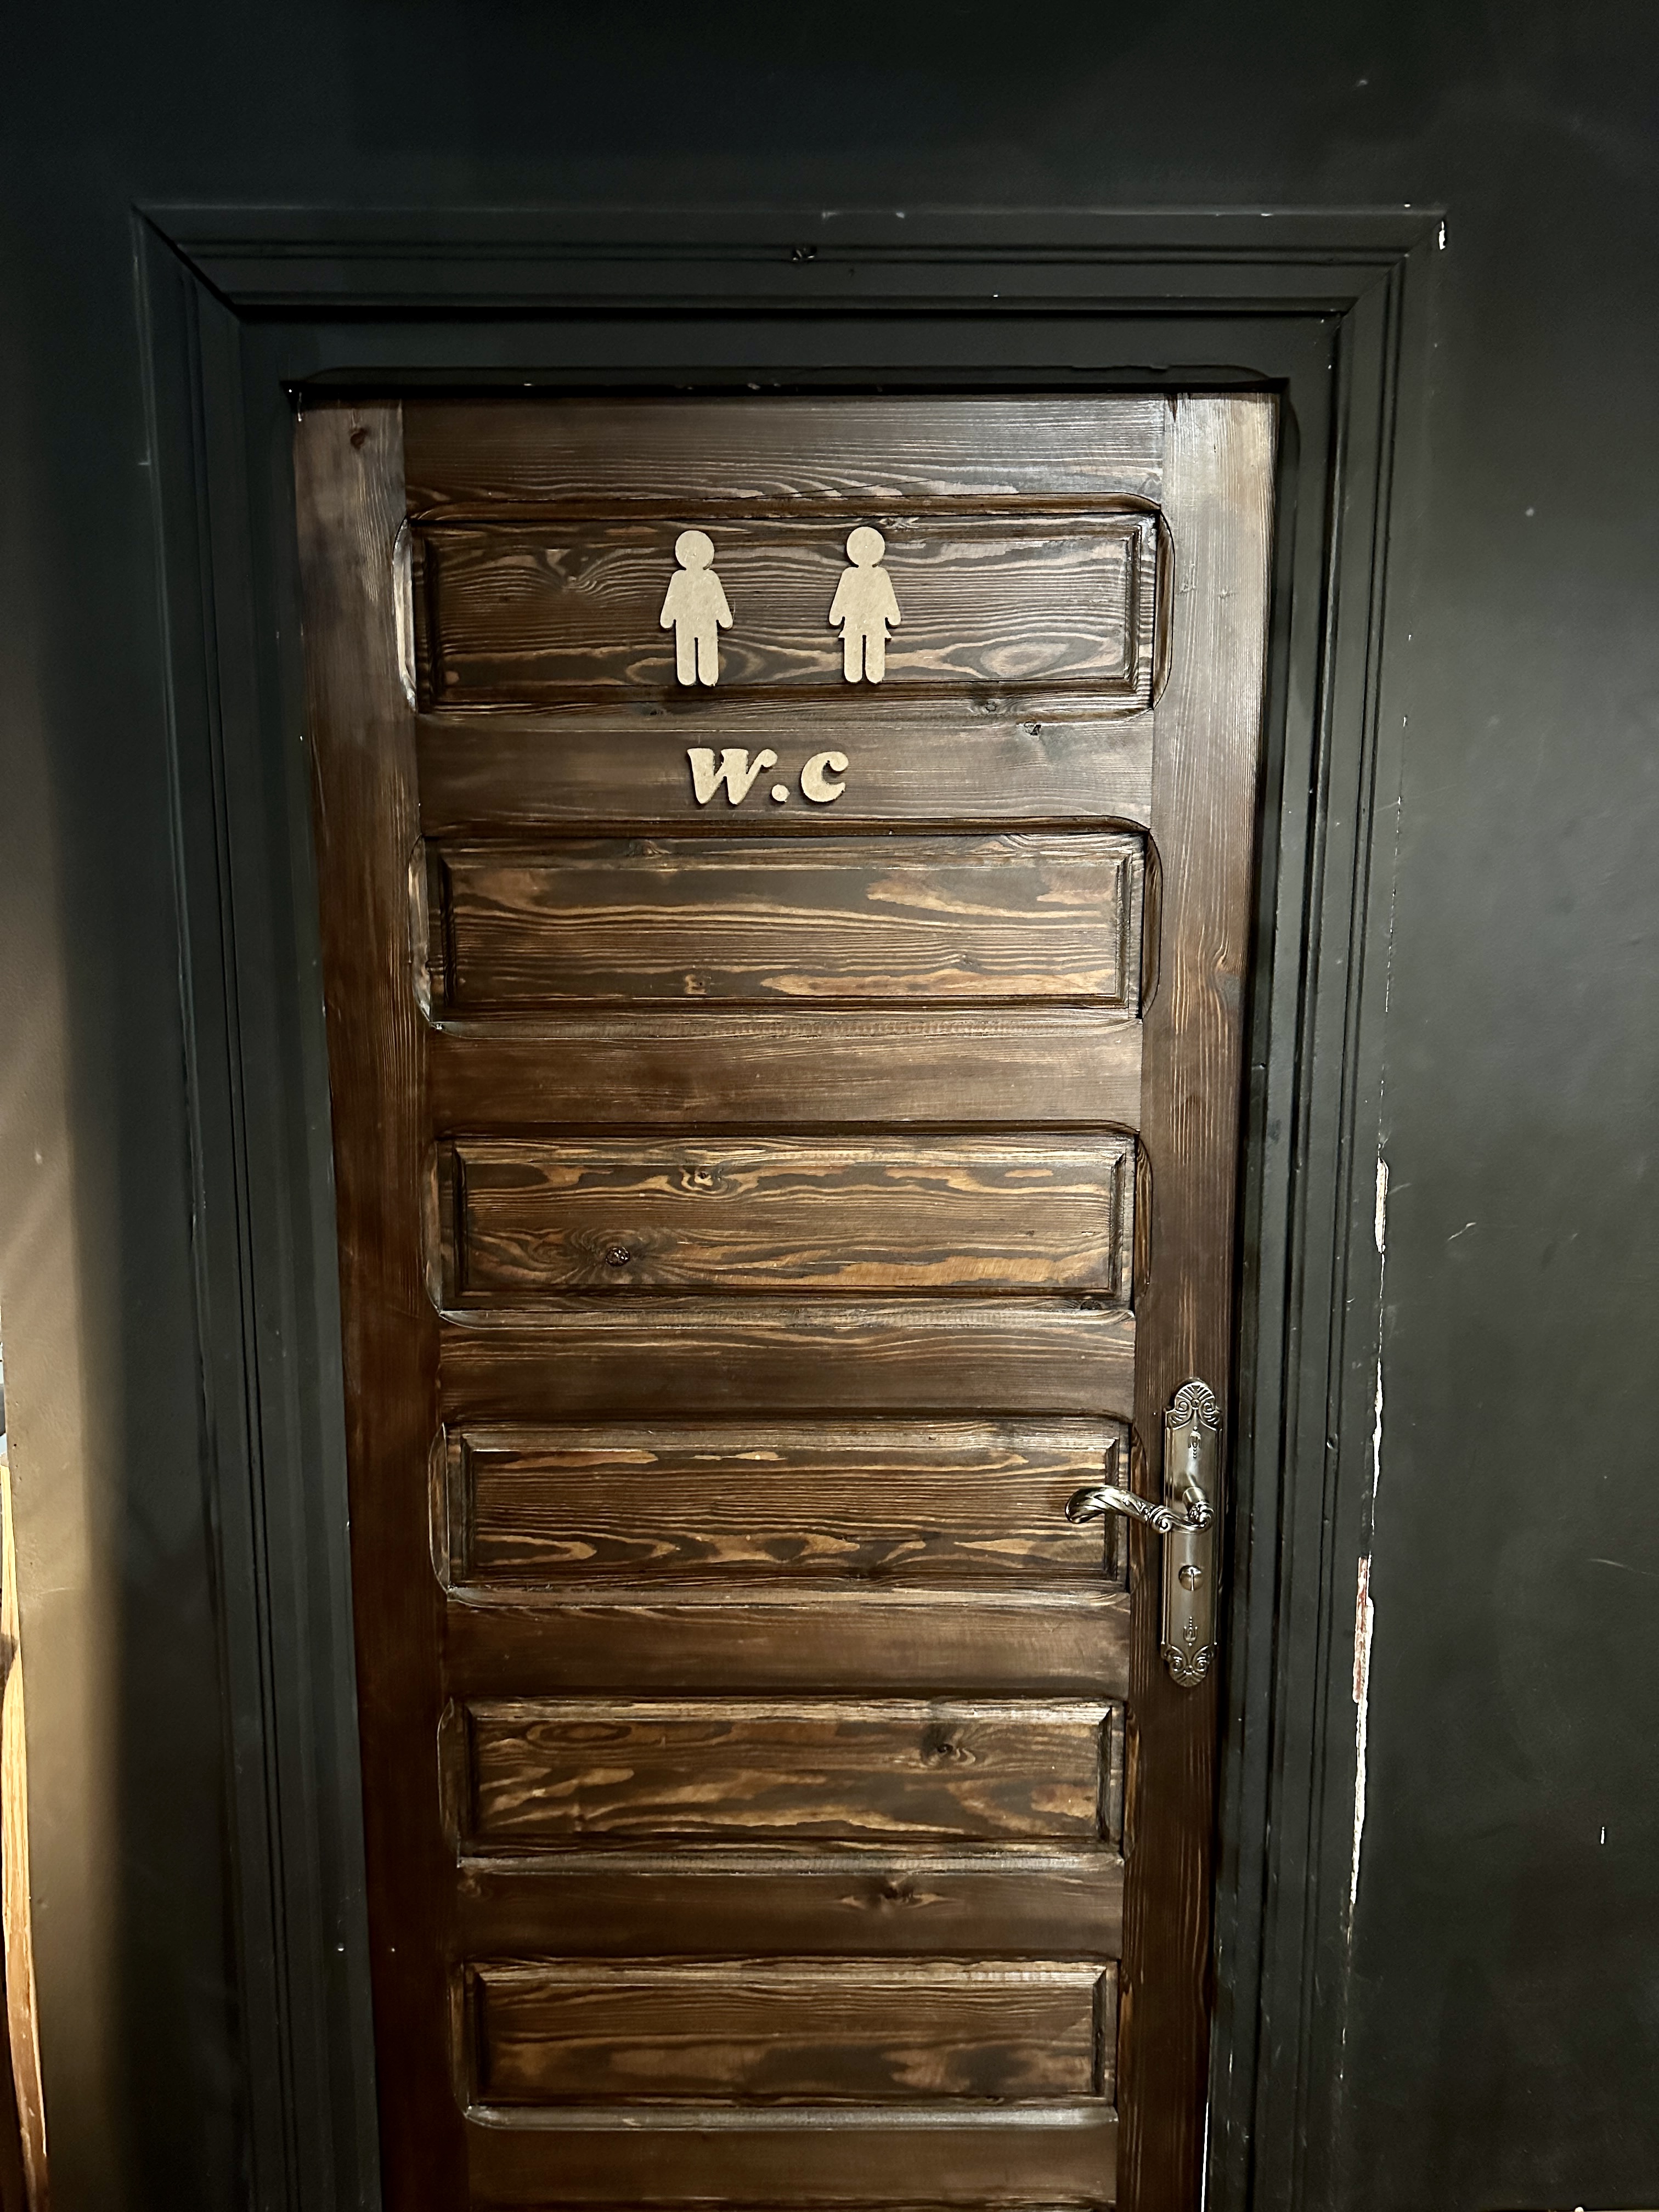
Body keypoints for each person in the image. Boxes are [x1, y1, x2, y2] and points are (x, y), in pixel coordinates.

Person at [659, 529, 732, 687]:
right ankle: (688, 675)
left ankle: (707, 675)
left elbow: (718, 599)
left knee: (707, 647)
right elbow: (672, 599)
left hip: (705, 623)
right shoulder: (678, 578)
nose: (694, 555)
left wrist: (725, 617)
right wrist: (667, 618)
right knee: (686, 649)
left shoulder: (711, 578)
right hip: (686, 623)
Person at [828, 525, 901, 683]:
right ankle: (854, 673)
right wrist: (836, 615)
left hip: (874, 623)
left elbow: (888, 597)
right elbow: (842, 596)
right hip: (855, 623)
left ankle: (873, 673)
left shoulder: (881, 575)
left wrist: (893, 616)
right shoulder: (849, 574)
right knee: (854, 647)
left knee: (874, 647)